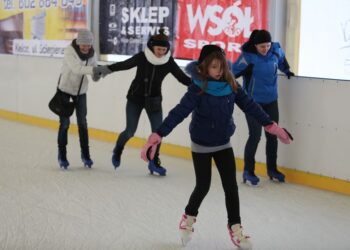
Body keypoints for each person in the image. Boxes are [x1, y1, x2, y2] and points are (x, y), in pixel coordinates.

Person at [140, 45, 292, 248]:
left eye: (221, 66)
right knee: (203, 186)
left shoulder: (231, 85)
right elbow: (179, 112)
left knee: (231, 187)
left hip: (223, 143)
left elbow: (251, 106)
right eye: (213, 67)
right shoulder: (197, 88)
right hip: (201, 144)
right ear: (204, 67)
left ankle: (236, 227)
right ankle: (188, 219)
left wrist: (271, 125)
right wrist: (158, 133)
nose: (219, 71)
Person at [95, 28, 191, 175]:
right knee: (130, 131)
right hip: (135, 99)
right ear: (152, 47)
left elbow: (182, 78)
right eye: (158, 49)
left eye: (164, 50)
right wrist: (105, 69)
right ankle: (118, 150)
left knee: (158, 134)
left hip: (154, 102)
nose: (161, 52)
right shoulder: (142, 56)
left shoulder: (168, 61)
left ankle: (154, 162)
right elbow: (124, 65)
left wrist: (200, 86)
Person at [232, 29, 295, 185]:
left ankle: (272, 169)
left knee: (273, 135)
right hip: (252, 103)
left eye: (267, 45)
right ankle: (248, 171)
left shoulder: (275, 51)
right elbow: (232, 73)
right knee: (255, 136)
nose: (265, 49)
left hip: (271, 100)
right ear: (255, 46)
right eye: (262, 47)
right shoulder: (248, 58)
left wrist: (287, 70)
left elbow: (282, 61)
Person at [57, 29, 102, 169]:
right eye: (83, 45)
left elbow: (93, 71)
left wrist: (98, 74)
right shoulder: (69, 51)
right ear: (78, 42)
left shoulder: (92, 53)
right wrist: (94, 70)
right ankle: (62, 155)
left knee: (82, 123)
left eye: (88, 45)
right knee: (65, 124)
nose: (86, 48)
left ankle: (86, 155)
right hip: (65, 91)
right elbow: (77, 69)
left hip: (81, 92)